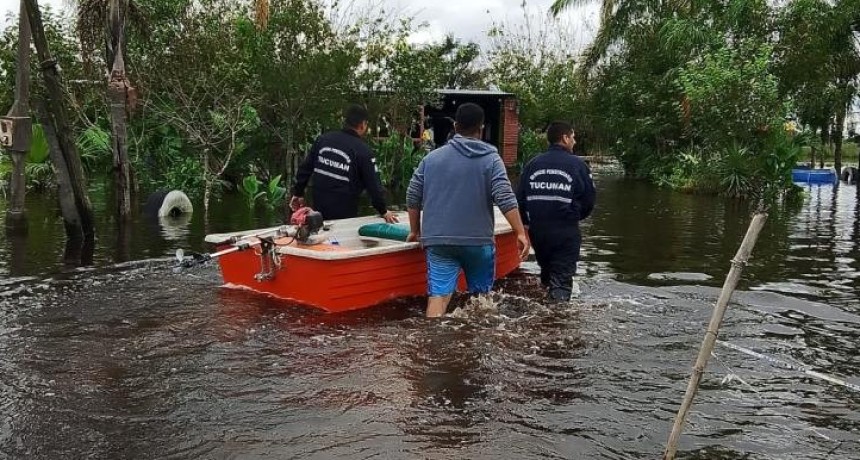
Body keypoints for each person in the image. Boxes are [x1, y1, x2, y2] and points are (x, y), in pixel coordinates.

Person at [406, 103, 530, 318]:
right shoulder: (492, 160)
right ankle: (477, 336)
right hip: (478, 242)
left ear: (455, 126)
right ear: (481, 128)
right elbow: (504, 197)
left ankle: (431, 336)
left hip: (439, 241)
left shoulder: (431, 159)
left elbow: (412, 195)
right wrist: (519, 232)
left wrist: (415, 231)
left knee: (438, 297)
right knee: (481, 300)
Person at [517, 121, 595, 302]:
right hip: (565, 231)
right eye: (573, 137)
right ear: (565, 138)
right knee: (561, 282)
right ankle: (556, 317)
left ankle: (543, 311)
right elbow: (589, 201)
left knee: (547, 275)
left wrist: (527, 224)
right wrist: (573, 215)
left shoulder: (532, 164)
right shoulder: (578, 165)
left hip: (538, 234)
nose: (574, 141)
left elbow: (520, 199)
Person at [290, 105, 398, 223]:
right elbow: (373, 185)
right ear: (362, 124)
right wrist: (383, 210)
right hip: (344, 212)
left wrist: (298, 193)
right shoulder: (363, 151)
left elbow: (305, 169)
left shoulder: (323, 140)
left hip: (319, 207)